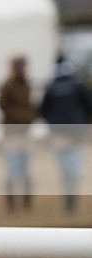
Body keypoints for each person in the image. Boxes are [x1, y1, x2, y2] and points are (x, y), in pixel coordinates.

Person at [39, 54, 92, 211]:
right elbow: (89, 104)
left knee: (64, 167)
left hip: (59, 133)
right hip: (75, 132)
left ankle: (69, 196)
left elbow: (43, 110)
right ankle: (72, 196)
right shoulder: (77, 84)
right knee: (74, 165)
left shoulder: (51, 86)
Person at [0, 55, 36, 210]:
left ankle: (26, 202)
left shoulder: (26, 84)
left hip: (24, 133)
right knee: (12, 168)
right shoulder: (8, 85)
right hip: (12, 133)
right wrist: (22, 117)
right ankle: (11, 202)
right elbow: (3, 105)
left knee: (25, 168)